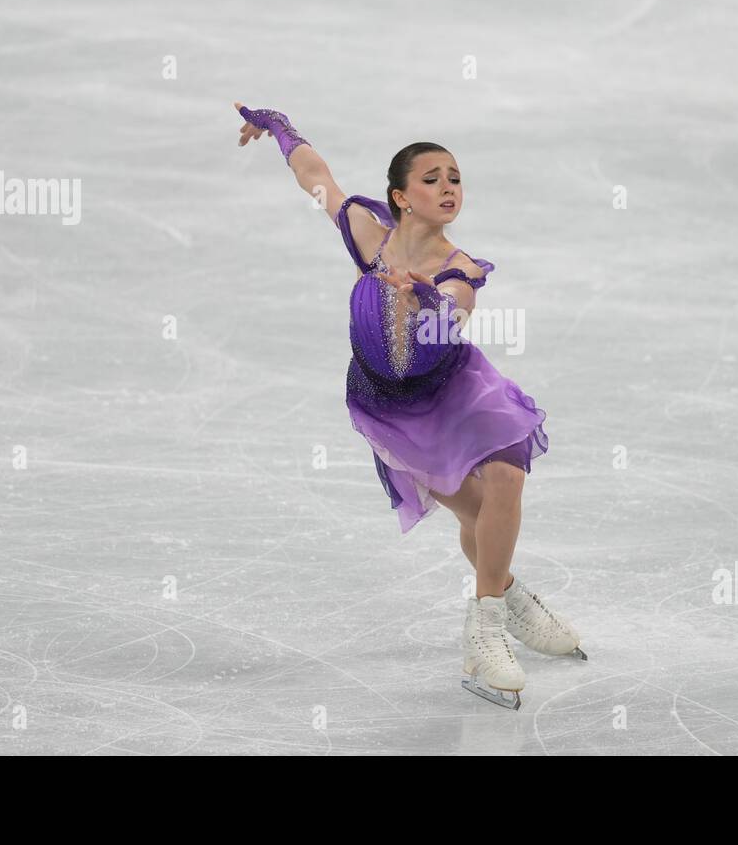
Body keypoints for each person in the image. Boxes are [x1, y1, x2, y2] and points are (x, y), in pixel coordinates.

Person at [234, 104, 586, 709]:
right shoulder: (369, 237)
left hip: (457, 386)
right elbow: (316, 176)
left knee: (506, 475)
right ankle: (506, 594)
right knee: (476, 518)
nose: (448, 188)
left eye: (454, 178)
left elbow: (453, 310)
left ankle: (486, 627)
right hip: (391, 409)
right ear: (399, 196)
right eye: (432, 179)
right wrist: (280, 128)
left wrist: (424, 293)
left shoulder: (460, 265)